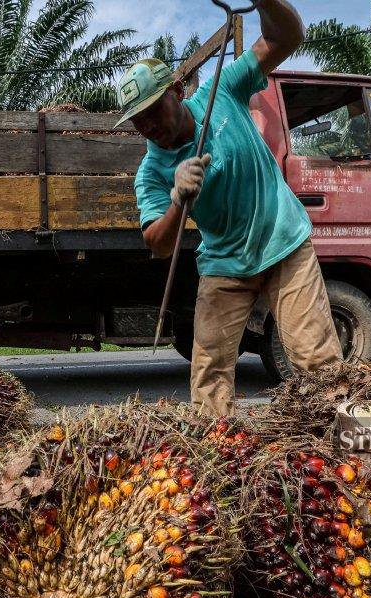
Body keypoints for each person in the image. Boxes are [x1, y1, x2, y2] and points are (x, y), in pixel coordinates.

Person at [116, 0, 340, 417]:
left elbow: (284, 37)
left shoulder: (223, 91)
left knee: (316, 361)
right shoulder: (151, 172)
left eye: (152, 111)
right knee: (209, 377)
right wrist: (177, 200)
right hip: (224, 263)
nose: (147, 127)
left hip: (283, 242)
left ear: (177, 91)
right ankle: (215, 462)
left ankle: (347, 452)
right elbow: (158, 244)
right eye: (137, 120)